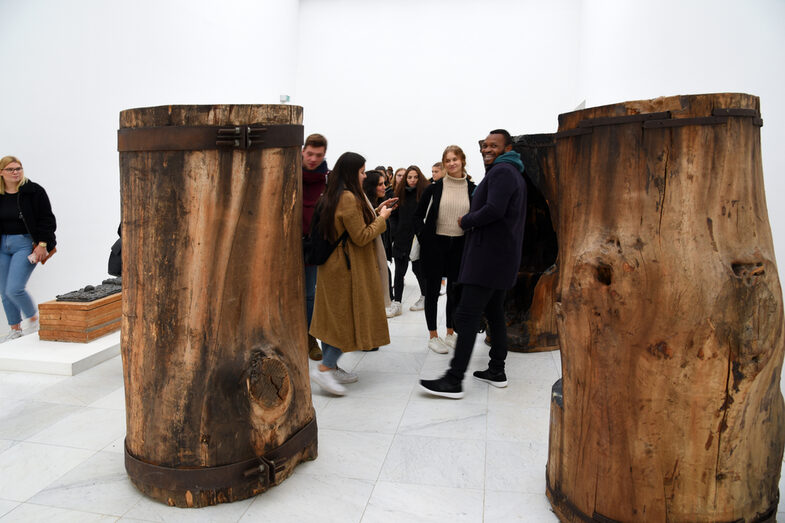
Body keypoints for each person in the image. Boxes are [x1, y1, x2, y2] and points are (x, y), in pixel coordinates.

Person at [420, 130, 527, 399]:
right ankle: (496, 370)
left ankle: (454, 380)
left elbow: (494, 209)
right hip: (501, 259)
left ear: (508, 148)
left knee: (466, 316)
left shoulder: (503, 172)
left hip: (488, 259)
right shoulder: (512, 171)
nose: (487, 149)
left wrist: (466, 220)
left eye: (494, 145)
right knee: (494, 314)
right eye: (485, 145)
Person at [310, 153, 396, 395]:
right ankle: (325, 369)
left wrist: (376, 211)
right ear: (350, 173)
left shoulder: (333, 194)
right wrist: (382, 219)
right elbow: (361, 236)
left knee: (331, 318)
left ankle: (332, 367)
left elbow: (349, 227)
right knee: (345, 319)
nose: (363, 176)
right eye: (361, 172)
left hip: (333, 265)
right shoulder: (348, 197)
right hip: (346, 269)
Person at [414, 146, 475, 354]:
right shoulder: (434, 188)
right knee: (432, 291)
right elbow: (418, 216)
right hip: (436, 245)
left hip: (460, 245)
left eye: (455, 159)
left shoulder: (472, 188)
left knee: (454, 291)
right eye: (447, 160)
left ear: (462, 161)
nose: (451, 163)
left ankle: (450, 332)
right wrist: (424, 237)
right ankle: (433, 335)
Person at [0, 156, 56, 342]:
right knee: (4, 290)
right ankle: (15, 330)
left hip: (25, 244)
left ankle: (33, 319)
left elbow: (47, 220)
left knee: (14, 289)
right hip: (2, 245)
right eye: (10, 169)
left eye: (19, 168)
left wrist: (42, 244)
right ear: (1, 173)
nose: (16, 172)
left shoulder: (33, 191)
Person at [388, 165, 428, 316]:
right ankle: (397, 303)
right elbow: (393, 215)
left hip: (417, 237)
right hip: (401, 236)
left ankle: (425, 297)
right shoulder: (399, 193)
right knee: (399, 270)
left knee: (417, 269)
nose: (412, 180)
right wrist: (395, 231)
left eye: (415, 177)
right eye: (409, 177)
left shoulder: (424, 193)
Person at [302, 134, 329, 361]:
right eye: (309, 153)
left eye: (318, 155)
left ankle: (311, 338)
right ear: (302, 151)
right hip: (284, 243)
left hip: (312, 245)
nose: (313, 159)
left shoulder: (326, 180)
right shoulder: (288, 174)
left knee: (310, 295)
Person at [363, 170, 394, 314]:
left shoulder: (368, 203)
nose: (384, 187)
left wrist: (377, 210)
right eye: (380, 184)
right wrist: (381, 217)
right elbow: (364, 232)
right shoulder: (361, 203)